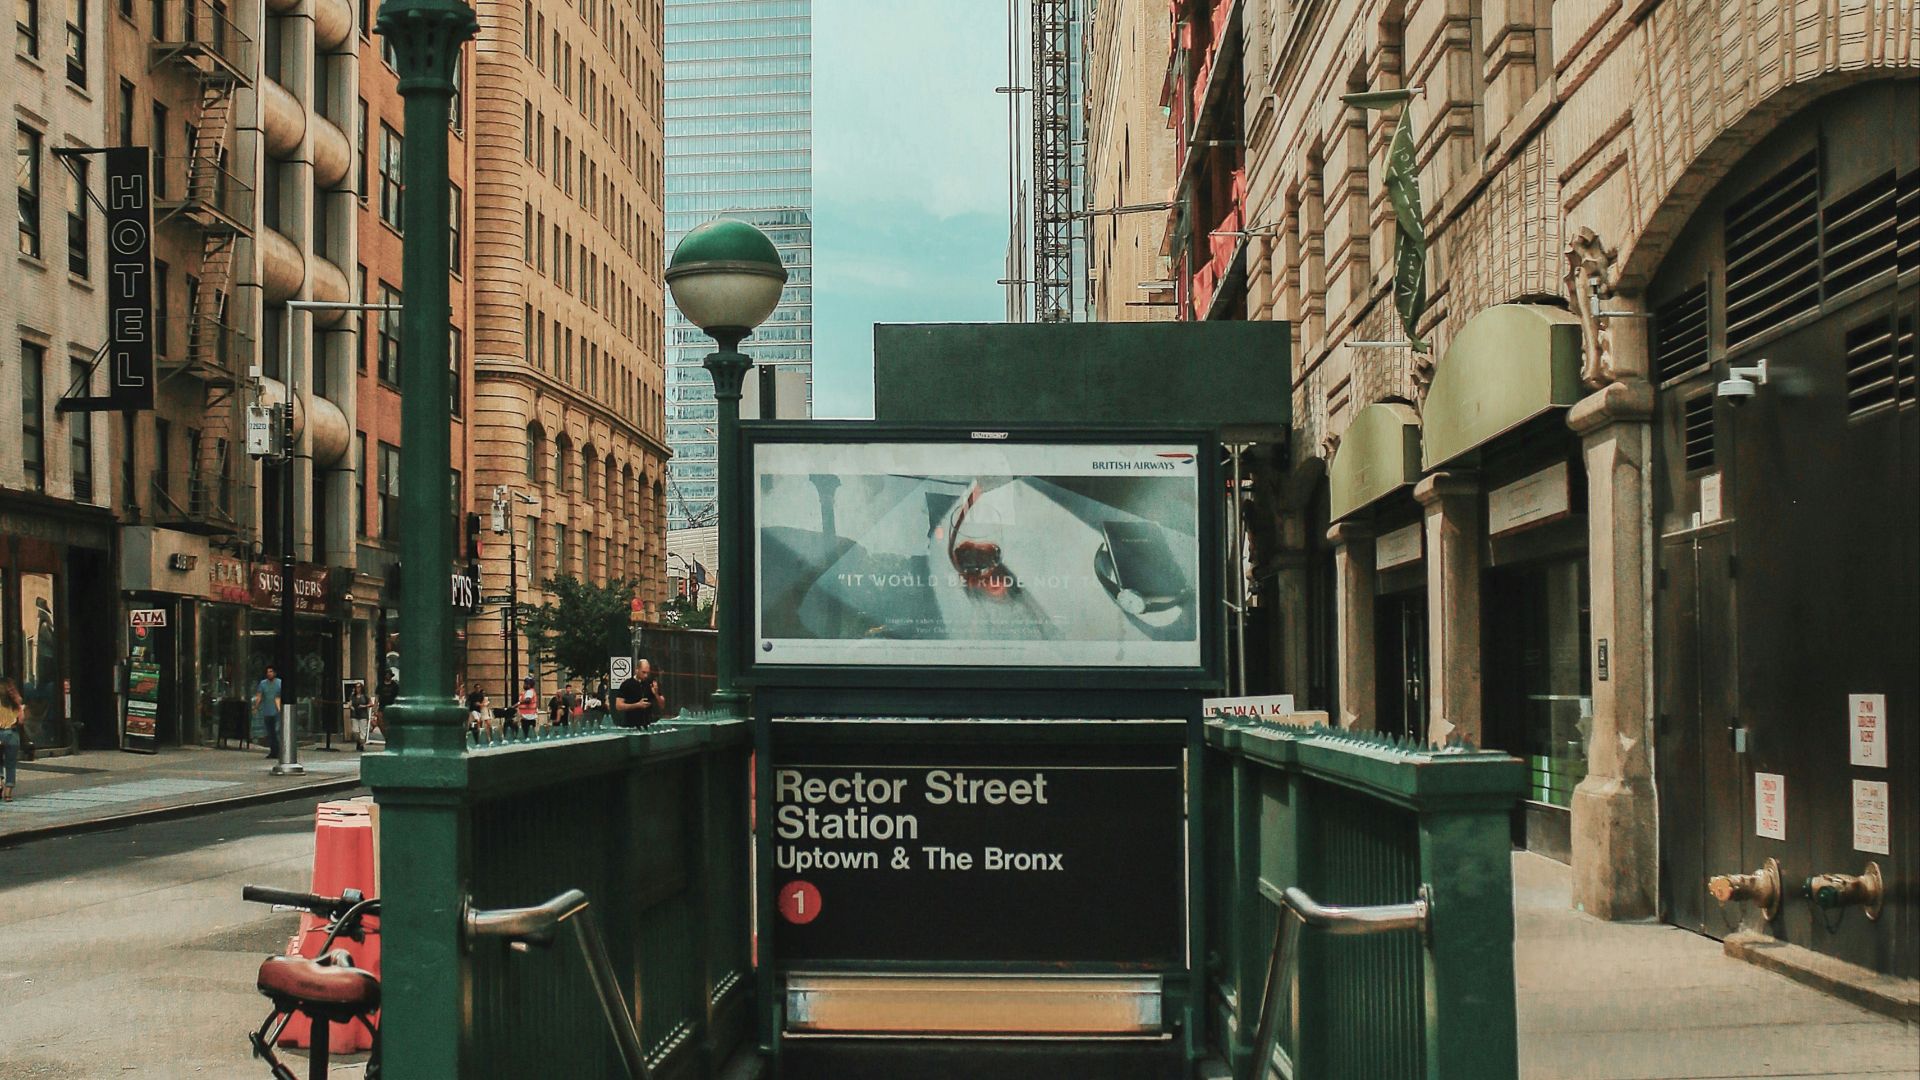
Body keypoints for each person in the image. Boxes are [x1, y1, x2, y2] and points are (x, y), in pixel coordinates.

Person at [613, 658, 665, 729]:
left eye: (647, 673)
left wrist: (656, 694)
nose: (646, 675)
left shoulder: (651, 683)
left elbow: (662, 705)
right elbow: (618, 706)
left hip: (648, 725)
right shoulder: (627, 684)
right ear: (636, 670)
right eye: (643, 672)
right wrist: (637, 705)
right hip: (631, 725)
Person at [0, 677, 25, 802]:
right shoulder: (16, 702)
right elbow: (21, 721)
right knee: (10, 764)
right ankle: (8, 793)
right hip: (12, 734)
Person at [254, 665, 284, 759]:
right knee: (270, 733)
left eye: (271, 671)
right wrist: (256, 707)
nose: (269, 674)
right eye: (268, 672)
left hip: (277, 711)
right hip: (267, 711)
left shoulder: (280, 683)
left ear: (274, 673)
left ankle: (280, 751)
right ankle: (273, 751)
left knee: (277, 731)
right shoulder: (263, 683)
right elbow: (259, 695)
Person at [348, 682, 373, 750]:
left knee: (362, 731)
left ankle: (361, 745)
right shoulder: (353, 696)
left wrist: (364, 706)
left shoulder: (365, 696)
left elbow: (371, 704)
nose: (357, 688)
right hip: (354, 715)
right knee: (355, 731)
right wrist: (350, 706)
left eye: (359, 687)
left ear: (362, 688)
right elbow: (350, 703)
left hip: (363, 715)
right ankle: (358, 742)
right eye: (356, 687)